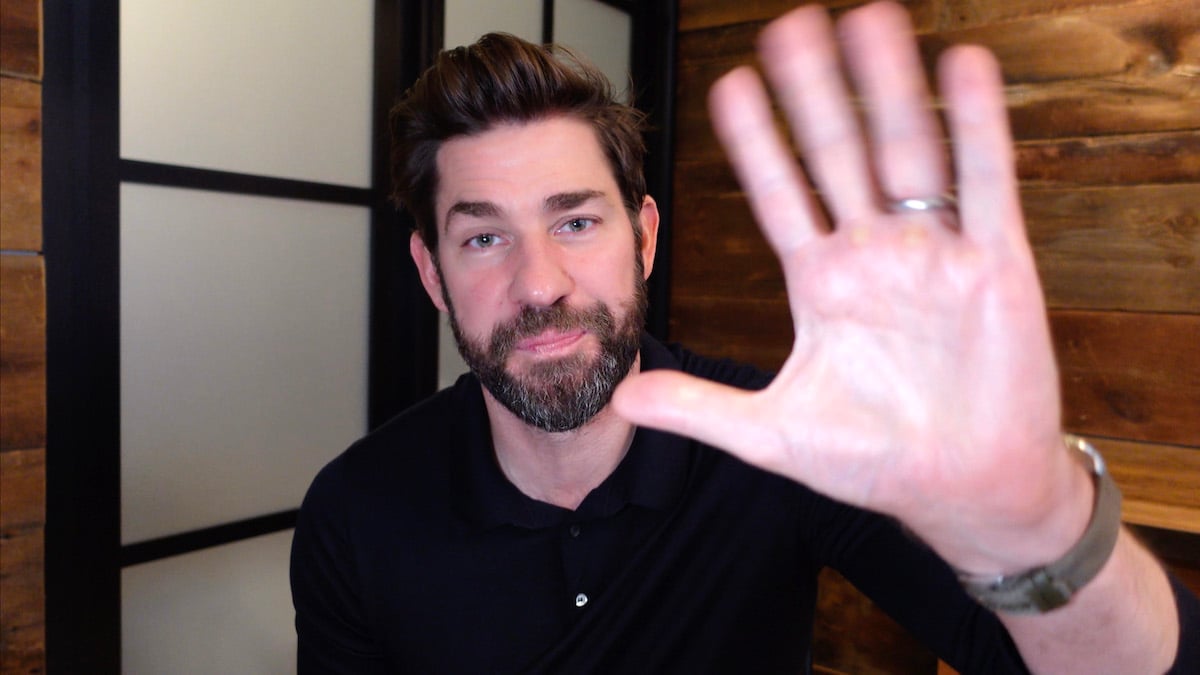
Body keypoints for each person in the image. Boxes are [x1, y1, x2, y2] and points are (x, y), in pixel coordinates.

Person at [291, 2, 1199, 672]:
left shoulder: (782, 446)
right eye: (484, 237)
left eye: (575, 222)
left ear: (644, 237)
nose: (539, 284)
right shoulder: (353, 514)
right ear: (429, 270)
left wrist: (1042, 528)